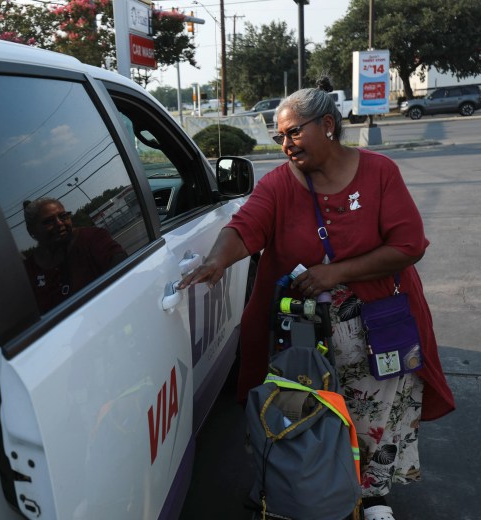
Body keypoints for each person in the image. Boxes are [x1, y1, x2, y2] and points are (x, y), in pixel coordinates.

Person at [178, 78, 455, 519]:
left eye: (293, 132)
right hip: (301, 332)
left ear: (327, 125)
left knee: (376, 411)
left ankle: (373, 496)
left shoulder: (379, 172)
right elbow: (245, 226)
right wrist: (217, 261)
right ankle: (297, 483)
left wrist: (334, 273)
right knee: (303, 407)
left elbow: (408, 245)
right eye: (278, 136)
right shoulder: (278, 185)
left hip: (378, 326)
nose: (285, 144)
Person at [23, 197, 127, 313]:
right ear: (31, 231)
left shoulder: (92, 238)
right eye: (48, 221)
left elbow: (121, 264)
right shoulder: (27, 272)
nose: (59, 223)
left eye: (63, 216)